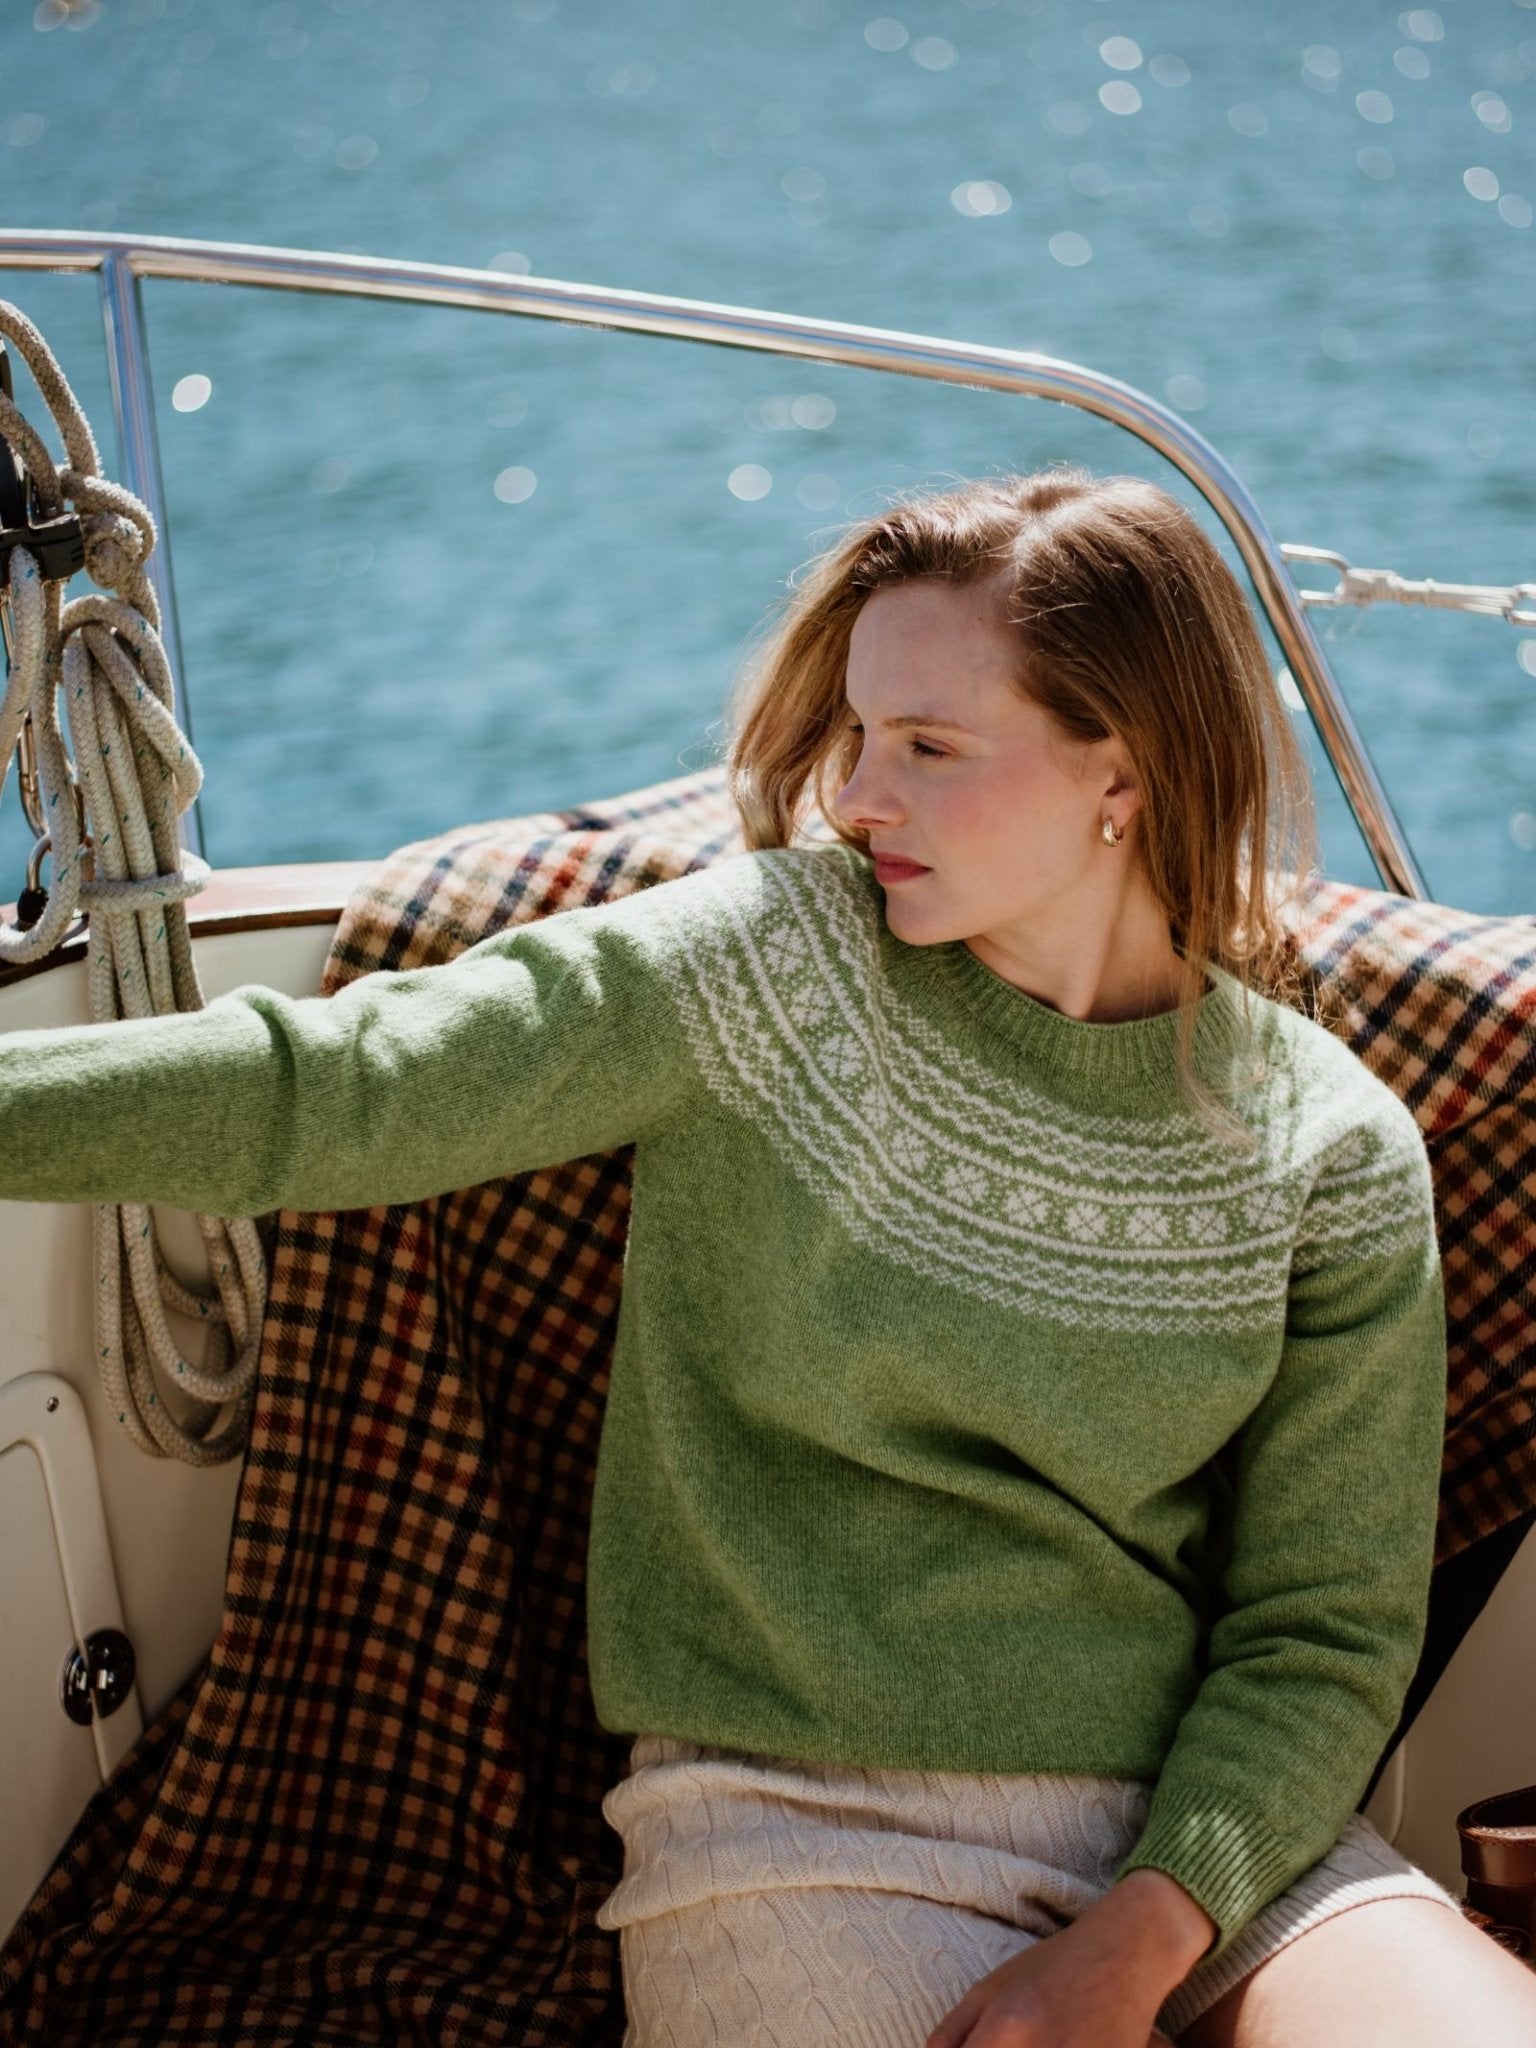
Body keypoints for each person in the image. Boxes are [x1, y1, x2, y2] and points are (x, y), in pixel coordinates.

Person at [3, 465, 1534, 2048]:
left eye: (931, 747)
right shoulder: (772, 958)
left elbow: (1322, 1632)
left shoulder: (1330, 1146)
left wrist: (1142, 1941)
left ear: (1123, 775)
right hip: (794, 1832)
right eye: (862, 737)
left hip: (1213, 1857)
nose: (861, 795)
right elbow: (335, 1091)